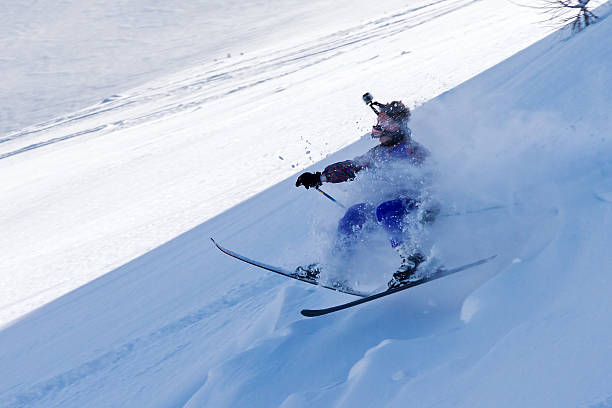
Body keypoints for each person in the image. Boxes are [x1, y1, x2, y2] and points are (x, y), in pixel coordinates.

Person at [295, 100, 437, 288]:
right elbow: (352, 167)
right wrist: (320, 177)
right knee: (355, 213)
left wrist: (431, 205)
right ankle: (336, 268)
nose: (378, 128)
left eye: (384, 123)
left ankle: (414, 260)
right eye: (378, 123)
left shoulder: (413, 151)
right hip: (386, 208)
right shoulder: (378, 153)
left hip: (415, 206)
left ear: (397, 126)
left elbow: (435, 179)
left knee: (386, 209)